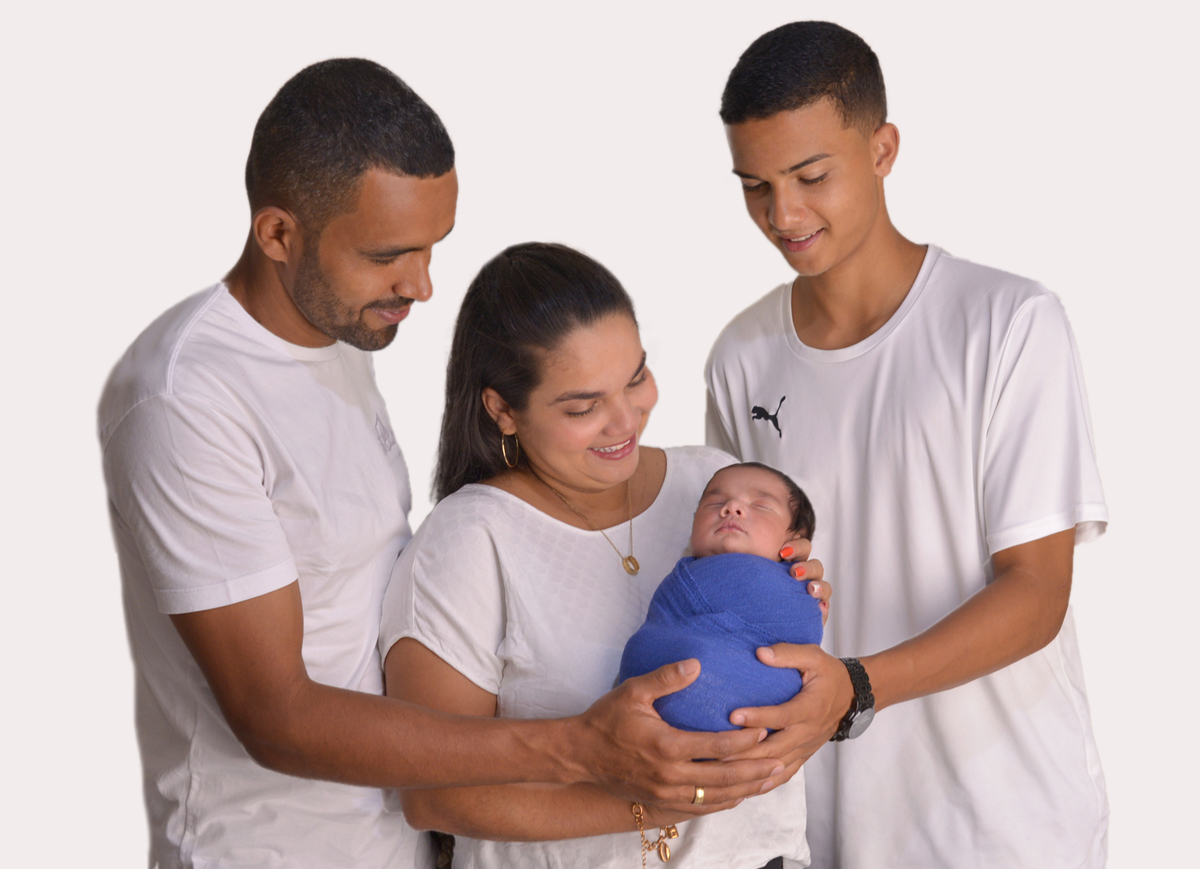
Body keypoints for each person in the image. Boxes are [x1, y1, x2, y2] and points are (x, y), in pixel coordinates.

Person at [98, 59, 790, 869]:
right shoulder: (187, 399)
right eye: (388, 254)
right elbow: (273, 713)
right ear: (278, 234)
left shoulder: (335, 341)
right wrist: (579, 747)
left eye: (432, 247)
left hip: (393, 845)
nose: (423, 285)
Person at [705, 21, 1108, 868]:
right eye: (755, 186)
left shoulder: (1007, 324)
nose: (783, 213)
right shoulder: (741, 357)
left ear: (883, 149)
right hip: (818, 830)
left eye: (812, 176)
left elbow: (1037, 591)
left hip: (1000, 828)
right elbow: (730, 583)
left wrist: (854, 686)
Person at [381, 243, 827, 869]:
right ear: (503, 410)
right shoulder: (469, 542)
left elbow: (794, 680)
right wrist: (652, 800)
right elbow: (433, 794)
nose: (625, 421)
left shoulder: (716, 486)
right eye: (584, 406)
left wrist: (823, 673)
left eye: (636, 377)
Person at [619, 462, 825, 733]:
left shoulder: (795, 586)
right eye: (714, 503)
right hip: (647, 713)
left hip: (750, 722)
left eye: (761, 505)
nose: (731, 507)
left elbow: (804, 630)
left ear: (796, 540)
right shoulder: (687, 577)